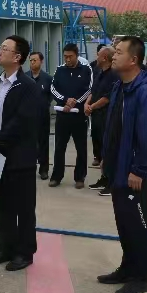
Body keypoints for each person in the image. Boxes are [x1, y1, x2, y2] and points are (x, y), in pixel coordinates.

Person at [98, 36, 147, 293]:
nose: (113, 55)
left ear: (133, 59)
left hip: (134, 171)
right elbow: (114, 128)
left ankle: (140, 277)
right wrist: (107, 157)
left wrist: (140, 169)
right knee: (124, 222)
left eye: (119, 52)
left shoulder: (144, 92)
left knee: (138, 224)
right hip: (118, 167)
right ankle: (127, 268)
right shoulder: (120, 87)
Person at [0, 35, 42, 272]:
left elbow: (23, 122)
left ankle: (24, 252)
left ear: (17, 57)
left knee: (23, 208)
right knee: (2, 206)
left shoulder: (28, 87)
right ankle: (6, 247)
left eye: (4, 48)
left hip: (19, 158)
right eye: (0, 47)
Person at [49, 43, 93, 189]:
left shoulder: (86, 70)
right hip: (62, 115)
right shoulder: (59, 70)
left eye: (70, 56)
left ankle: (80, 177)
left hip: (79, 116)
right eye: (65, 56)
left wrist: (76, 102)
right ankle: (56, 176)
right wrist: (65, 100)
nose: (67, 59)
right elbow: (53, 88)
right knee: (59, 147)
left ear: (77, 55)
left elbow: (90, 89)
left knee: (81, 148)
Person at [86, 46, 119, 196]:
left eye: (98, 55)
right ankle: (104, 178)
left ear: (105, 57)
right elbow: (93, 91)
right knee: (99, 148)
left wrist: (91, 107)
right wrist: (87, 104)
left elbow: (107, 97)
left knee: (109, 150)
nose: (96, 57)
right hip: (96, 117)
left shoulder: (114, 74)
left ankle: (112, 182)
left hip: (107, 116)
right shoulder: (99, 72)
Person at [28, 52, 53, 179]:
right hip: (27, 118)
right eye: (31, 60)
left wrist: (44, 104)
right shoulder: (24, 77)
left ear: (41, 61)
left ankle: (44, 170)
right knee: (28, 144)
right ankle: (28, 168)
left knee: (43, 143)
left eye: (35, 60)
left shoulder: (48, 79)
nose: (32, 63)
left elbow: (51, 95)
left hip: (42, 117)